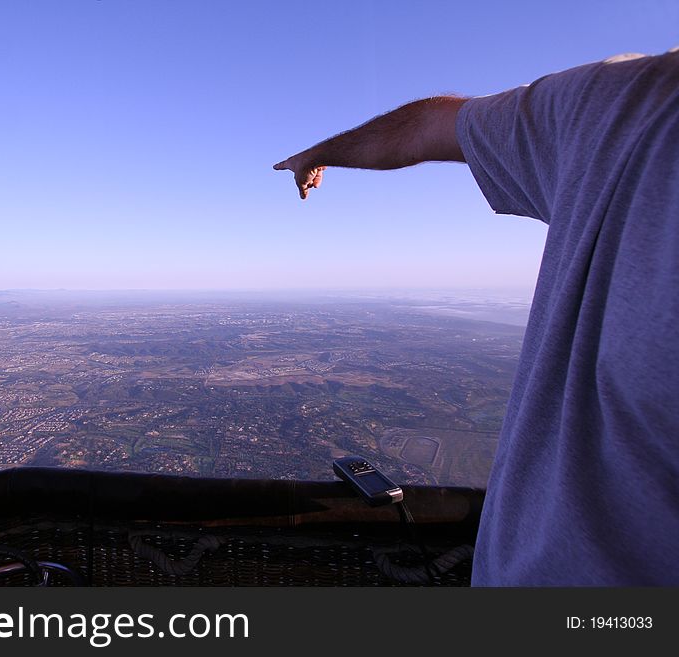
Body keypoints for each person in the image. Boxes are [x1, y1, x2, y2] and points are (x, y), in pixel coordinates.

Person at [274, 48, 679, 586]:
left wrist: (321, 152)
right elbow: (426, 126)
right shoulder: (618, 101)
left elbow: (423, 128)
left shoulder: (621, 103)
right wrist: (322, 152)